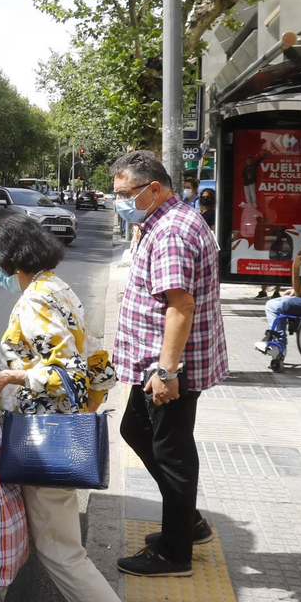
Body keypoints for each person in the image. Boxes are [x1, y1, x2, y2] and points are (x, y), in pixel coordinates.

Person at [0, 216, 173, 602]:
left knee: (62, 553)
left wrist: (6, 378)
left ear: (14, 260)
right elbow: (90, 366)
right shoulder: (58, 288)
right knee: (1, 525)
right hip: (38, 435)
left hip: (42, 443)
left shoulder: (36, 300)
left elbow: (68, 374)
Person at [110, 150, 228, 577]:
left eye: (125, 194)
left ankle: (174, 553)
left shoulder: (171, 232)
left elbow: (181, 306)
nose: (119, 202)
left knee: (172, 453)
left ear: (154, 189)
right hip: (157, 361)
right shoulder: (162, 222)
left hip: (167, 366)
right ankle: (188, 521)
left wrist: (167, 372)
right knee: (136, 430)